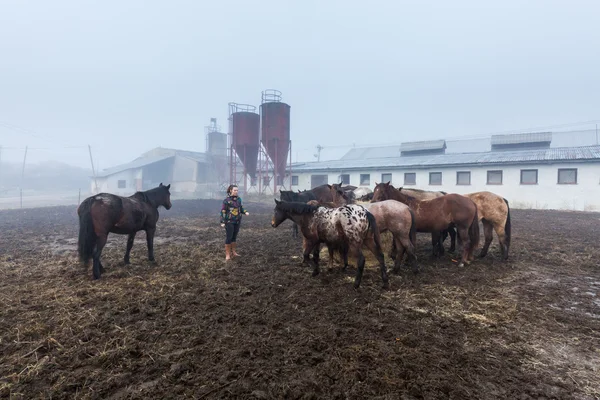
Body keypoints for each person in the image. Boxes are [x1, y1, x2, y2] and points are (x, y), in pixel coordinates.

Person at [220, 184, 249, 260]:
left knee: (234, 237)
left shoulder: (239, 199)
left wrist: (245, 212)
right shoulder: (226, 200)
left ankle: (234, 252)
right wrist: (222, 221)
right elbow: (223, 211)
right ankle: (227, 255)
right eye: (235, 190)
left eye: (237, 190)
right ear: (230, 190)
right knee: (229, 238)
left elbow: (241, 208)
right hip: (229, 221)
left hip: (237, 221)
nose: (236, 192)